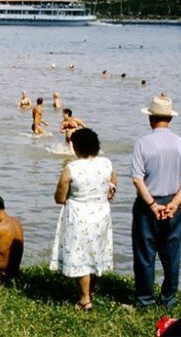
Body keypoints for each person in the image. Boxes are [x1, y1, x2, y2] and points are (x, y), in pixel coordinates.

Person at [131, 95, 181, 309]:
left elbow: (137, 179)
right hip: (172, 204)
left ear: (150, 118)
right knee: (172, 254)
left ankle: (145, 300)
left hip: (147, 205)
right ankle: (169, 299)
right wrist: (175, 203)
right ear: (170, 118)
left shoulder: (143, 143)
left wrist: (151, 204)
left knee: (145, 254)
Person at [50, 128, 116, 310]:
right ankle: (90, 290)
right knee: (95, 250)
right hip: (101, 213)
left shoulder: (71, 168)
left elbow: (60, 197)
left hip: (79, 215)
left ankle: (85, 299)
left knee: (80, 254)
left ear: (75, 148)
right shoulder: (106, 164)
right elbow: (112, 185)